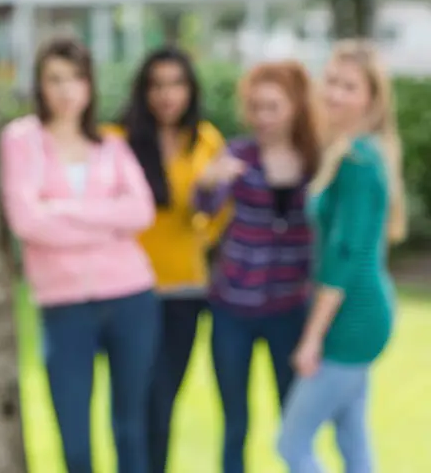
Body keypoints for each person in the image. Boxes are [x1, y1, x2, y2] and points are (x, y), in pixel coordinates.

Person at [0, 37, 159, 473]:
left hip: (131, 297)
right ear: (40, 86)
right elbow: (27, 221)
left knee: (131, 430)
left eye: (76, 78)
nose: (67, 89)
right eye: (55, 79)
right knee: (74, 442)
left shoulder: (111, 144)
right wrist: (107, 221)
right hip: (65, 306)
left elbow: (141, 211)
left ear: (89, 85)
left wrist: (63, 210)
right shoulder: (22, 140)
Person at [278, 40, 406, 473]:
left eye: (348, 86)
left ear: (370, 97)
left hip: (353, 319)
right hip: (363, 311)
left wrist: (313, 336)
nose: (334, 93)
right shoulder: (351, 150)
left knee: (292, 446)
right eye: (330, 81)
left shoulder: (357, 161)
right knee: (351, 438)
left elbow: (345, 257)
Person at [194, 60, 320, 473]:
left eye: (273, 106)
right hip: (233, 307)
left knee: (294, 421)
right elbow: (205, 207)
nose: (262, 117)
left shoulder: (316, 159)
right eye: (255, 107)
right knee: (235, 422)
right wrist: (210, 181)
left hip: (290, 310)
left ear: (296, 106)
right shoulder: (238, 154)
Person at [109, 46, 229, 473]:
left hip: (184, 292)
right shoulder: (116, 140)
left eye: (176, 84)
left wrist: (205, 213)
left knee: (162, 404)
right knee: (132, 407)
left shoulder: (207, 140)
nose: (167, 95)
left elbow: (218, 219)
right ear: (144, 91)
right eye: (157, 85)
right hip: (128, 292)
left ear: (190, 90)